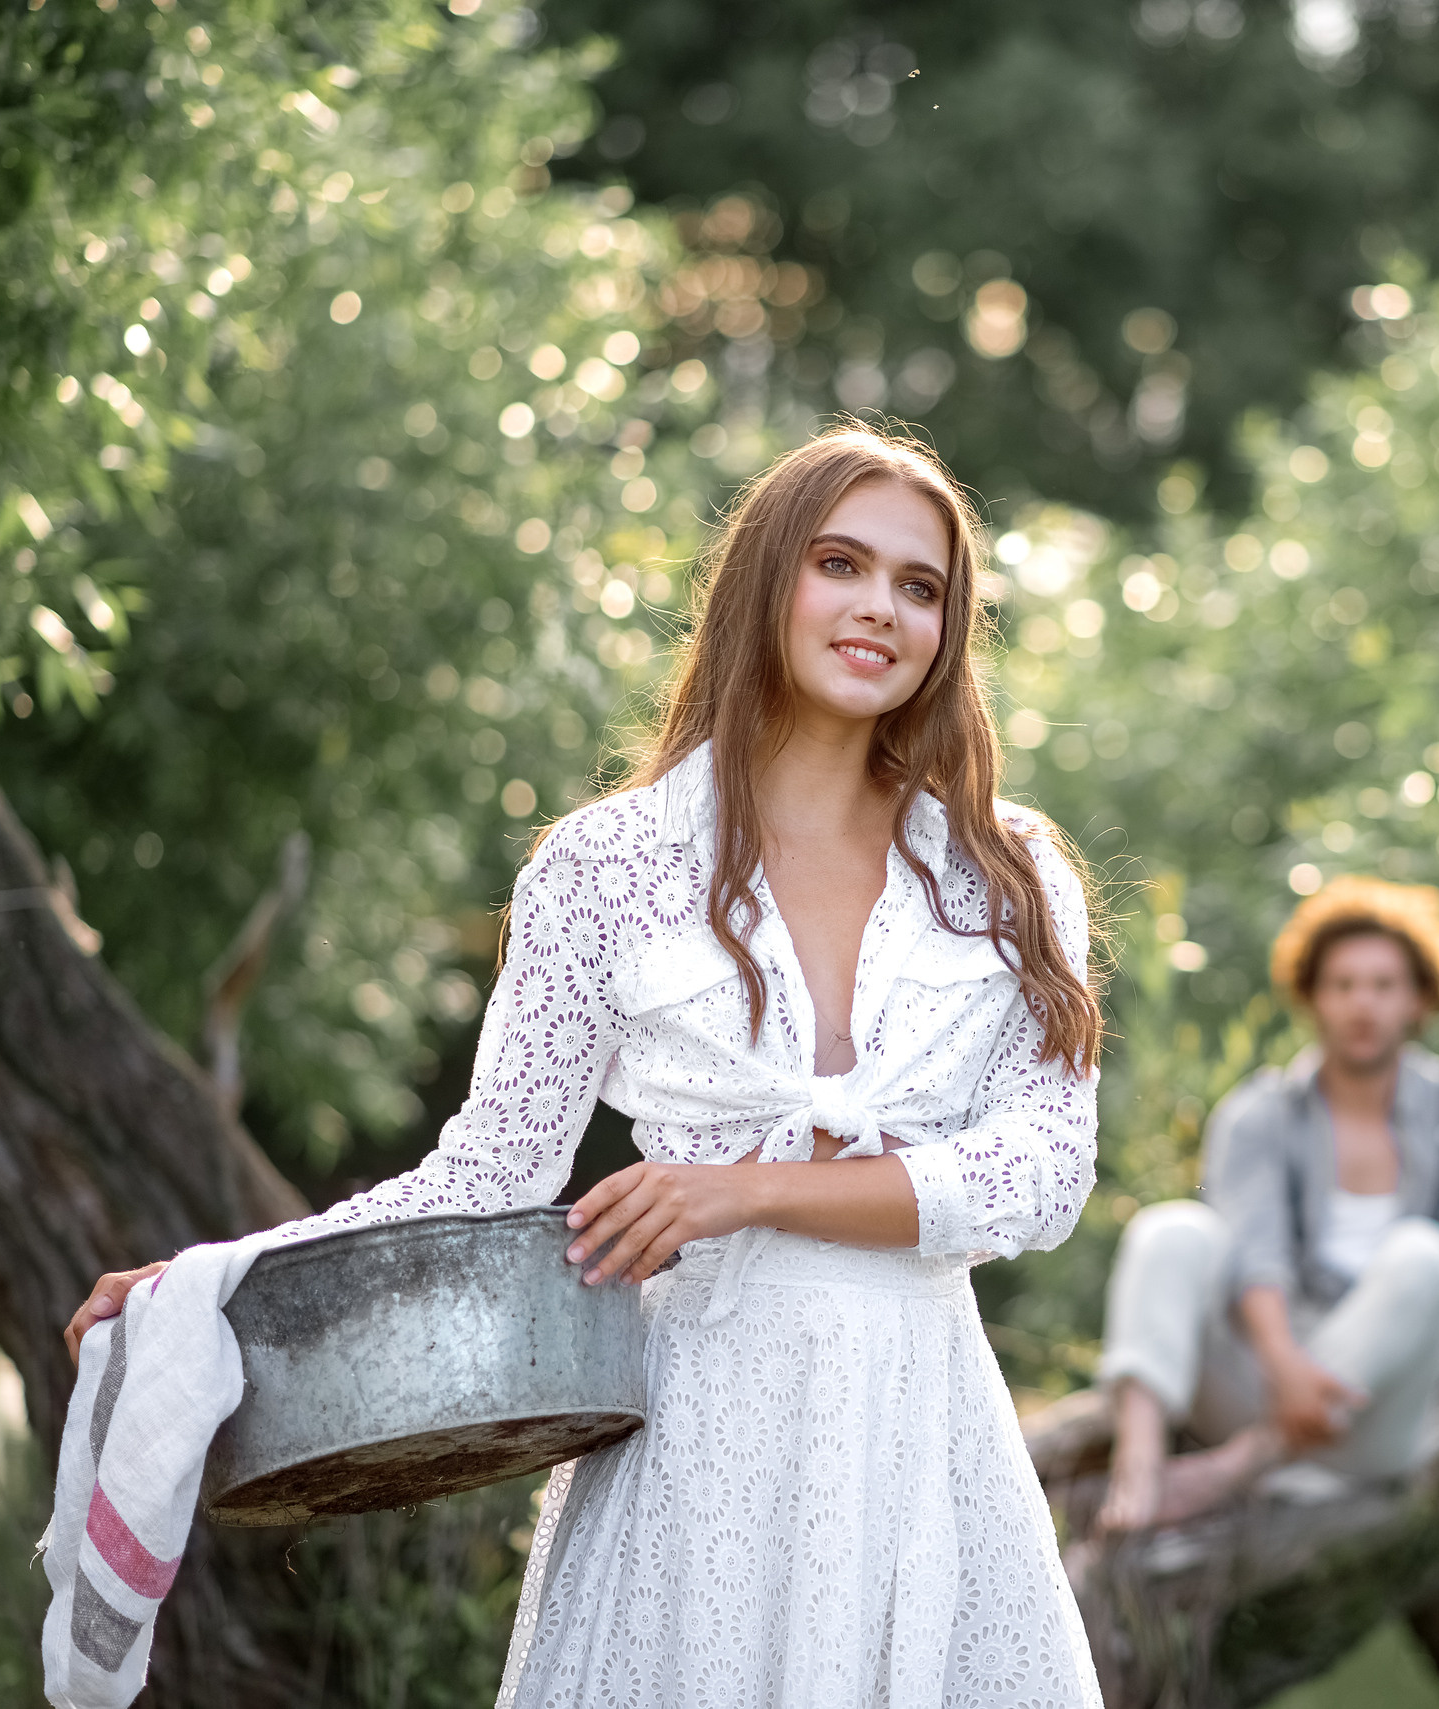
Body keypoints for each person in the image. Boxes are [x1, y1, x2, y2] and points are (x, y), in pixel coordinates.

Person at [62, 427, 1107, 1707]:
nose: (879, 607)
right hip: (693, 1433)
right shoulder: (604, 868)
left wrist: (743, 1190)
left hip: (920, 1432)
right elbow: (492, 1171)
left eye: (920, 585)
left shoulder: (1005, 873)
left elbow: (1041, 1173)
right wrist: (222, 1279)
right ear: (767, 580)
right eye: (842, 563)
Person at [1093, 876, 1439, 1533]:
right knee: (1172, 1229)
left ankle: (1240, 1465)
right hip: (1261, 1382)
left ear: (1419, 998)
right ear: (1312, 997)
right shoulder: (1259, 1113)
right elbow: (1256, 1253)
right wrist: (1286, 1368)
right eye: (1342, 985)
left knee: (1427, 1254)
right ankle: (1136, 1465)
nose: (1362, 1005)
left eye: (1383, 985)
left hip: (1374, 1426)